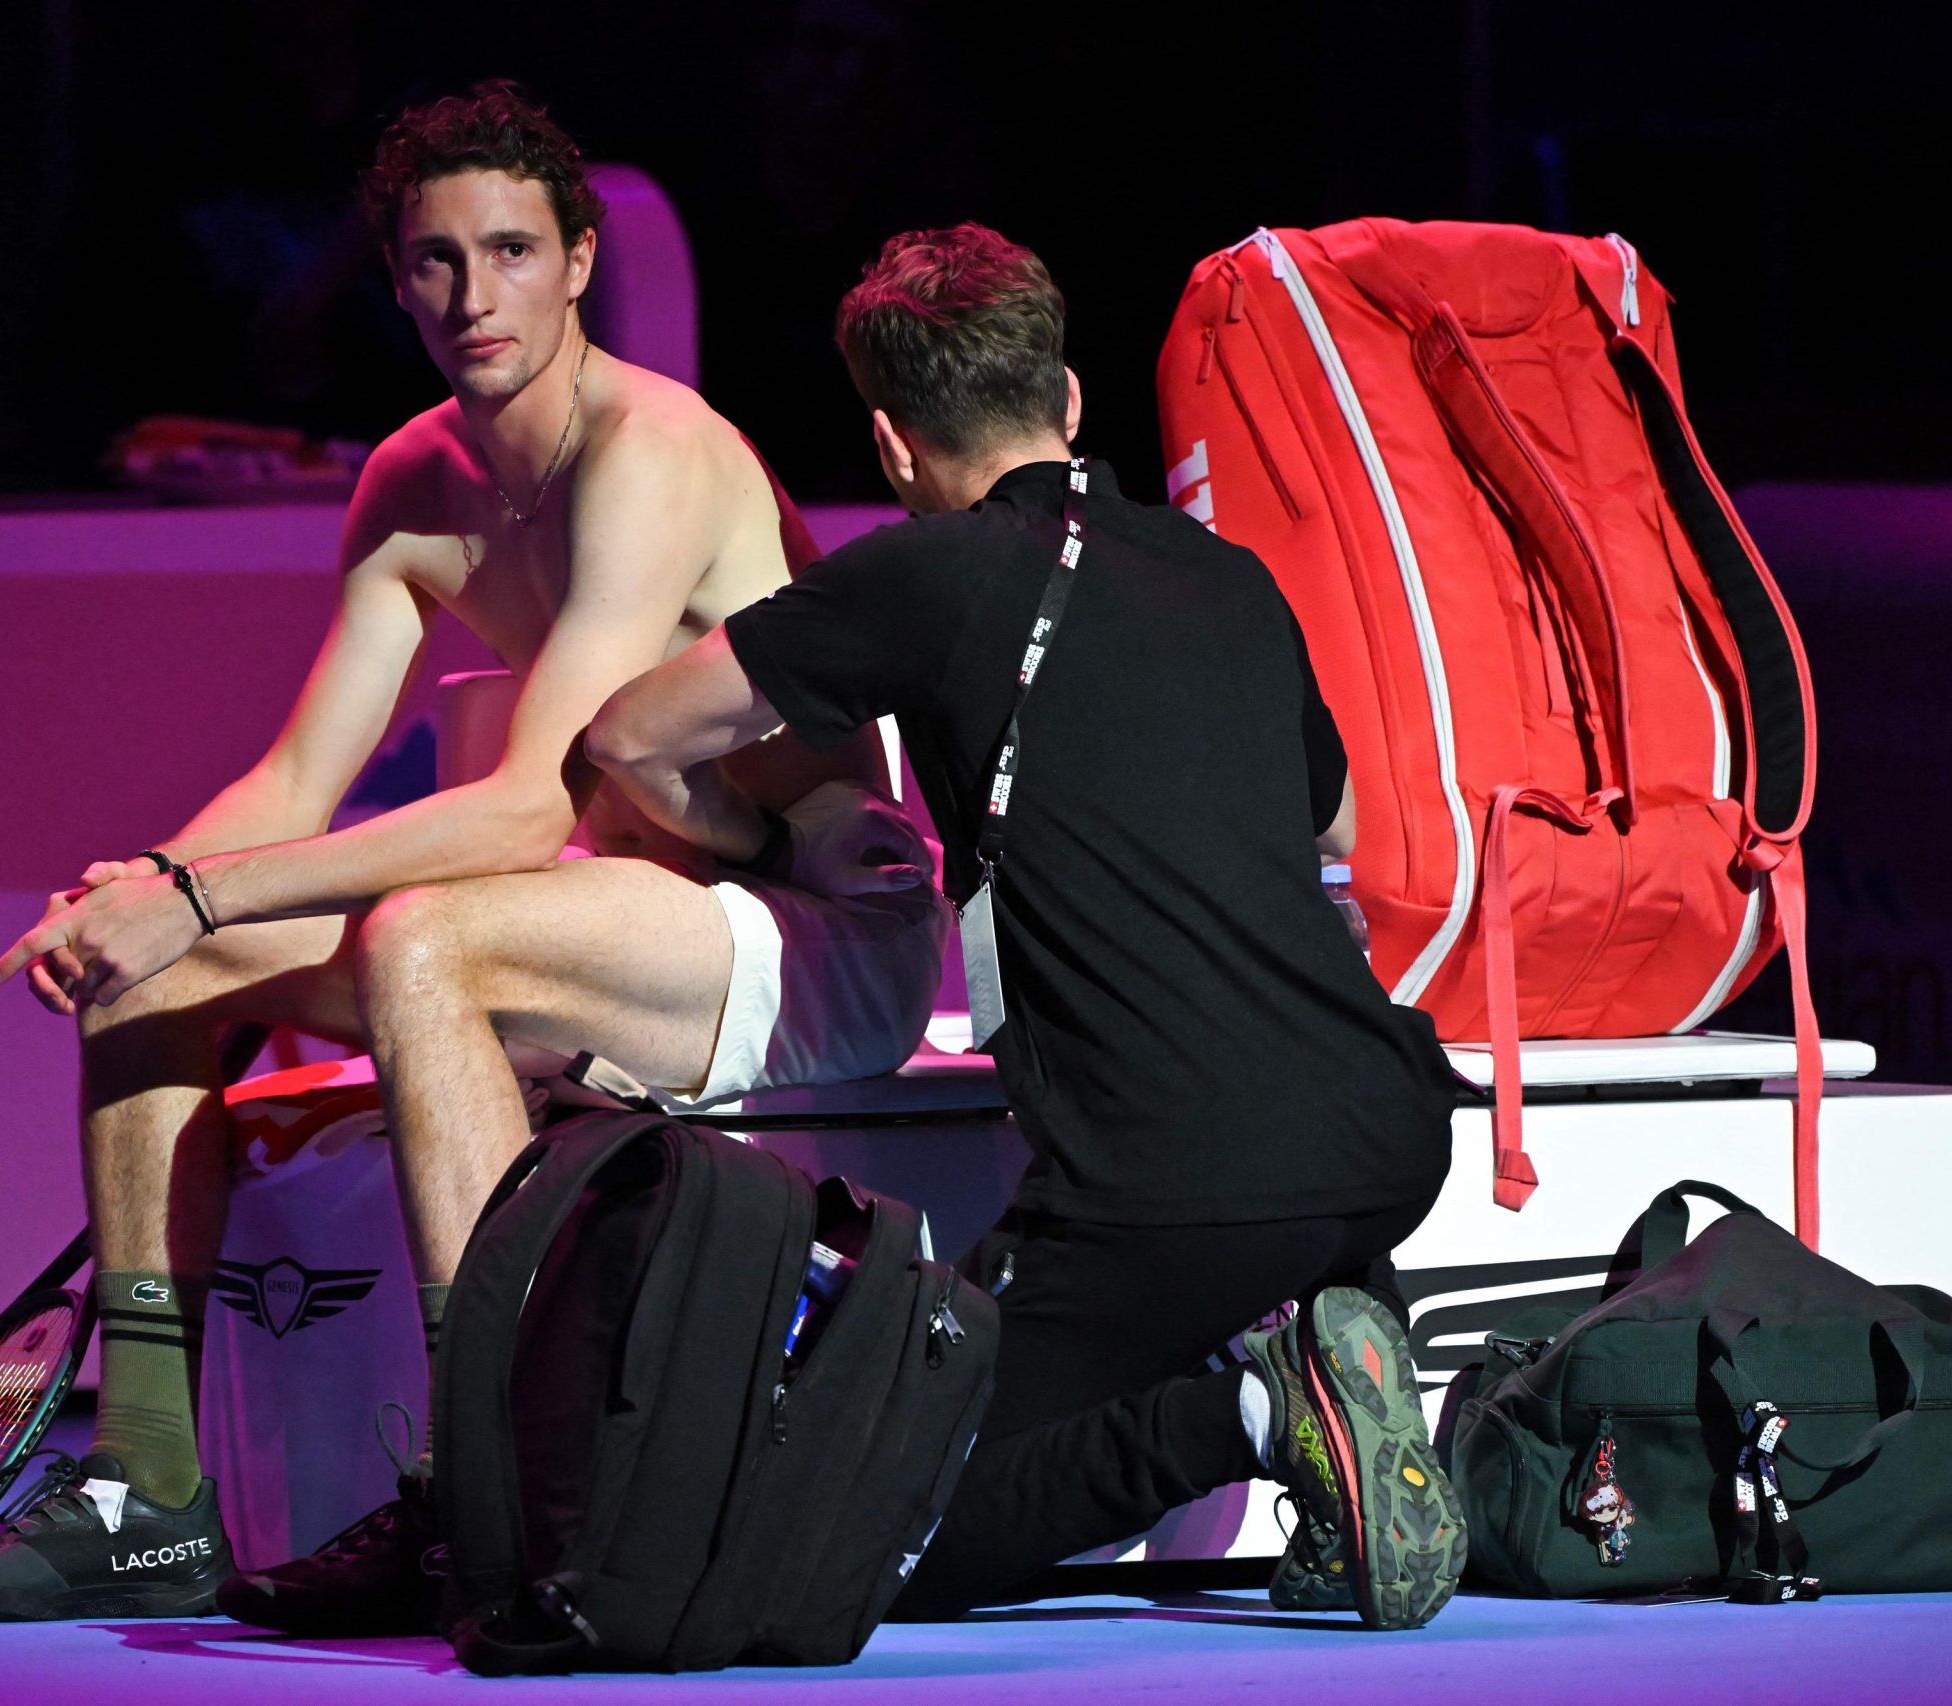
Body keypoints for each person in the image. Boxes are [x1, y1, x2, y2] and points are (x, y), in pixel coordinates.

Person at [0, 82, 946, 1624]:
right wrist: (146, 888)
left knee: (420, 935)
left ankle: (484, 1482)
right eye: (438, 261)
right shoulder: (411, 480)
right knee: (169, 967)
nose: (474, 295)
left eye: (512, 251)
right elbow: (295, 776)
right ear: (396, 281)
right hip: (629, 909)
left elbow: (526, 809)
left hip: (814, 925)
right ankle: (150, 1484)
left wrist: (194, 893)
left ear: (579, 261)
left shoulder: (653, 448)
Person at [585, 224, 1469, 1628]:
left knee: (851, 1547)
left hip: (1175, 1177)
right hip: (1387, 1124)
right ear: (1069, 398)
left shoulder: (918, 575)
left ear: (889, 446)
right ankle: (1327, 1327)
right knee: (1089, 1305)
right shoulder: (1226, 574)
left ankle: (1254, 1411)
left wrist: (781, 833)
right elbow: (1341, 827)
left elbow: (628, 733)